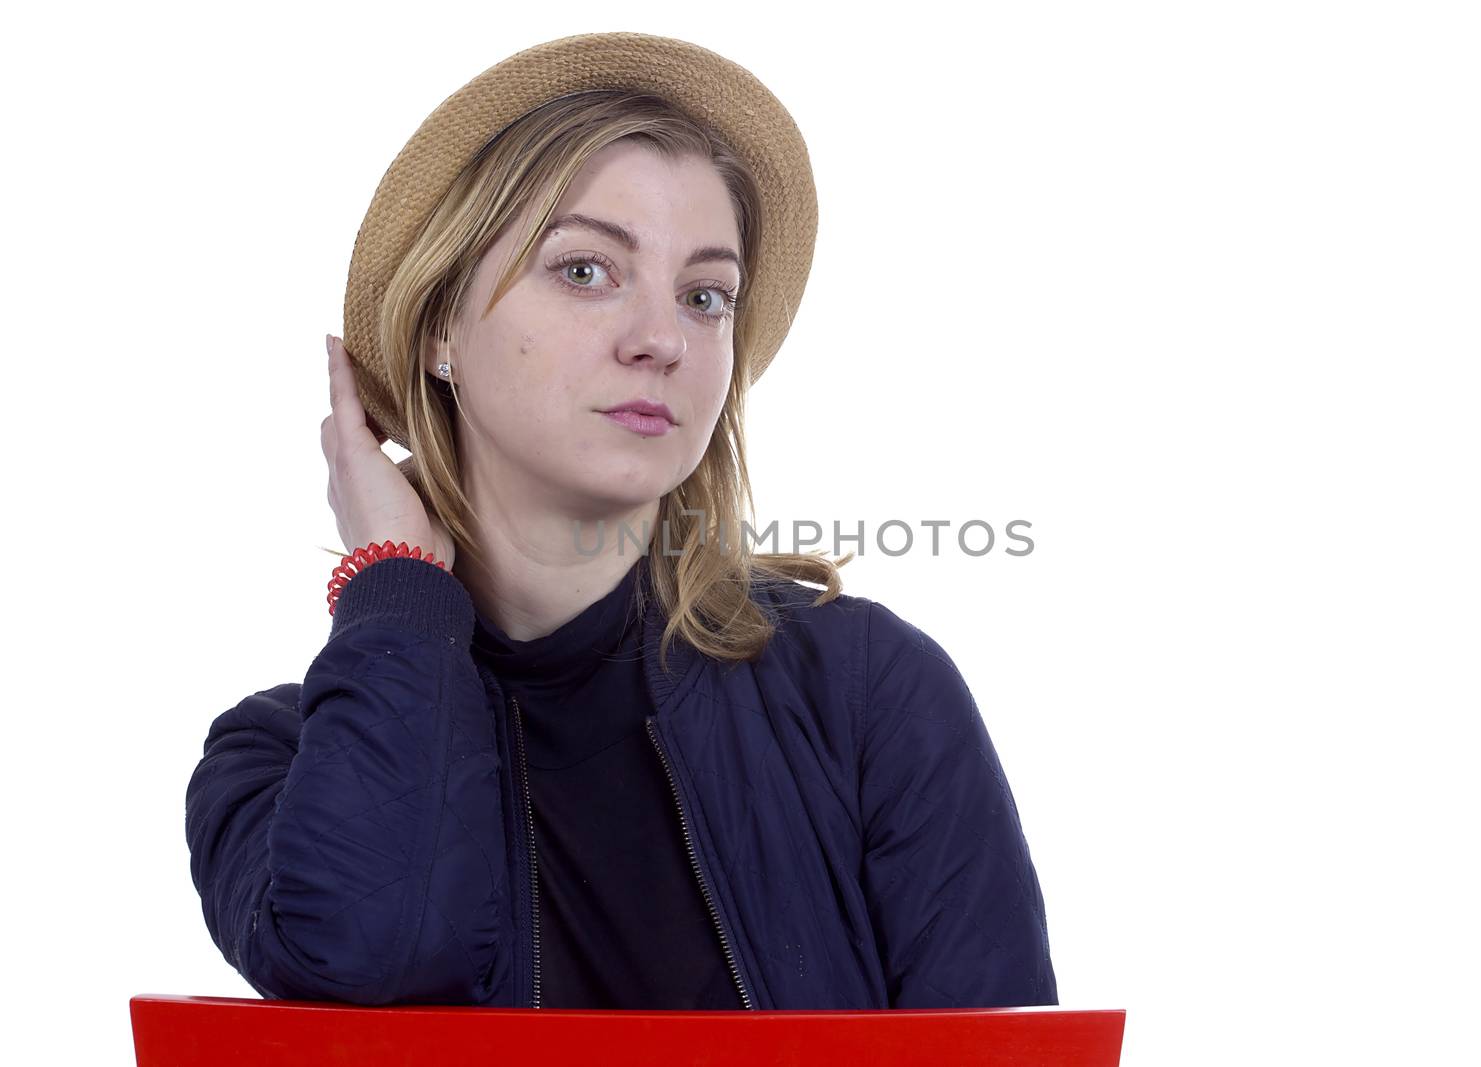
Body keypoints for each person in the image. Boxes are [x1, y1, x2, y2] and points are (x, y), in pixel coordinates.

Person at [184, 31, 1056, 1011]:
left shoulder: (863, 691)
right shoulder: (278, 759)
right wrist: (394, 581)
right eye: (586, 270)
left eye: (705, 294)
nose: (661, 339)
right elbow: (380, 960)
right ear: (440, 330)